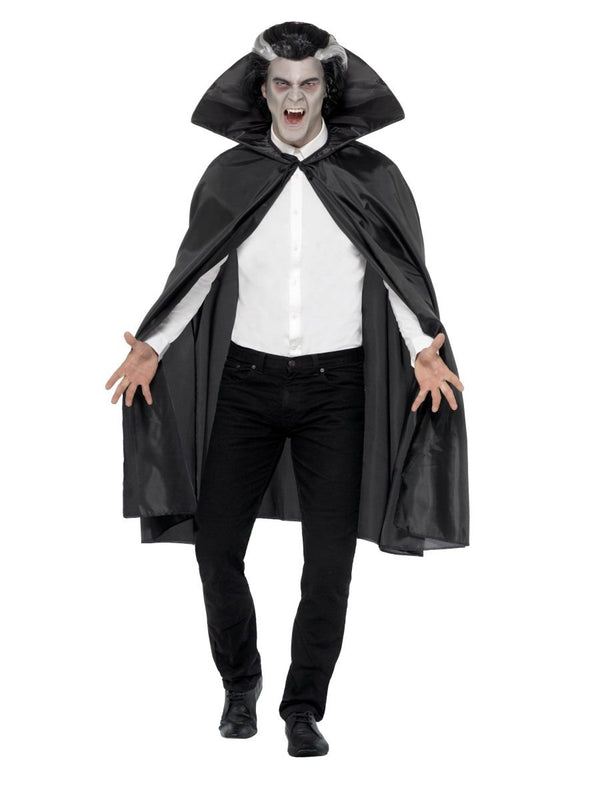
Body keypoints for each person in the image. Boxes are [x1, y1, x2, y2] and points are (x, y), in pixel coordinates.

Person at [106, 21, 469, 757]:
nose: (294, 98)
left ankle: (303, 708)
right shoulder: (232, 175)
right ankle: (240, 685)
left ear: (326, 88)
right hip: (248, 384)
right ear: (263, 90)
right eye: (281, 84)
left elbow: (393, 270)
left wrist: (423, 350)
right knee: (216, 548)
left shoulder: (369, 175)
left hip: (337, 391)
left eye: (307, 84)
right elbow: (200, 267)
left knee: (328, 565)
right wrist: (154, 343)